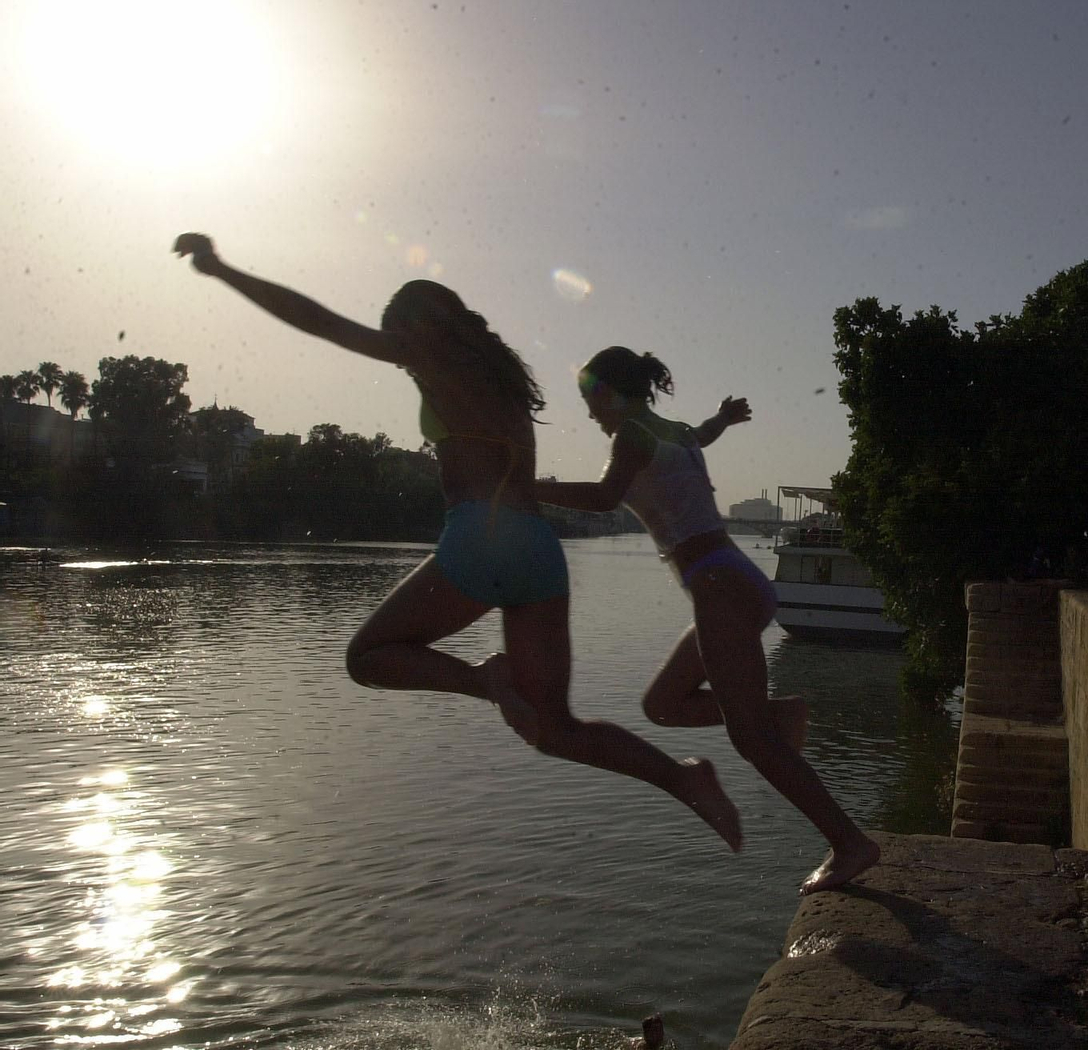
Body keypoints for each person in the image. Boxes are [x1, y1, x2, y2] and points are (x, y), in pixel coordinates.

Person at [170, 234, 741, 852]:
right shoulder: (500, 375)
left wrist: (224, 271)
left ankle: (486, 680)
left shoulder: (437, 360)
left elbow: (321, 323)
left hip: (481, 539)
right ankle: (683, 779)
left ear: (419, 325)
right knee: (554, 727)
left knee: (369, 657)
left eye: (401, 336)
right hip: (538, 554)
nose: (403, 355)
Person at [533, 345, 881, 894]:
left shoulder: (632, 436)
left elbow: (603, 498)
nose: (590, 411)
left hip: (721, 590)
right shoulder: (673, 430)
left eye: (592, 396)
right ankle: (779, 714)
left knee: (752, 740)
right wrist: (723, 418)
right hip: (732, 582)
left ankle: (848, 843)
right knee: (662, 705)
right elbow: (703, 432)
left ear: (617, 392)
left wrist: (523, 488)